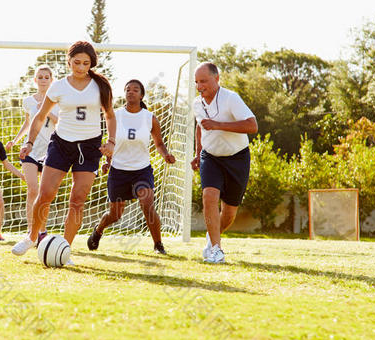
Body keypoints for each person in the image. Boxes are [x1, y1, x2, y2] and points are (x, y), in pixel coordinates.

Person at [11, 41, 116, 264]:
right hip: (61, 144)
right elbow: (40, 116)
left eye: (85, 63)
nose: (80, 67)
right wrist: (29, 142)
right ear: (68, 61)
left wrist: (112, 142)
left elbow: (110, 116)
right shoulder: (58, 86)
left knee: (77, 199)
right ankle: (32, 237)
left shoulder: (101, 86)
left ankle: (65, 250)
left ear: (91, 63)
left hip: (89, 148)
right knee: (46, 193)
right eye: (76, 62)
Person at [87, 79, 176, 254]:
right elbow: (110, 141)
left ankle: (158, 245)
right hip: (118, 171)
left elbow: (159, 143)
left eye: (135, 89)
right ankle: (98, 230)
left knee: (147, 204)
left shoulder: (150, 118)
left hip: (141, 170)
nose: (131, 92)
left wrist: (166, 155)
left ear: (141, 95)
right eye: (128, 89)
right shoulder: (115, 115)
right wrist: (107, 162)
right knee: (115, 215)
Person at [190, 62, 258, 264]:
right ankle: (217, 250)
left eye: (204, 81)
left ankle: (211, 240)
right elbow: (201, 128)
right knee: (209, 196)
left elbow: (252, 125)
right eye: (196, 82)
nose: (199, 86)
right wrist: (198, 152)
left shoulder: (231, 98)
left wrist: (218, 125)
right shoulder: (197, 103)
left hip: (237, 158)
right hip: (210, 157)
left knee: (229, 213)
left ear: (217, 79)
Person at [6, 65, 59, 242]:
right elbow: (28, 123)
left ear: (51, 80)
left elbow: (60, 122)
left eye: (46, 77)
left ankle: (41, 230)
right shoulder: (28, 101)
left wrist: (47, 111)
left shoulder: (57, 101)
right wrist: (15, 139)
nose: (43, 80)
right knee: (32, 189)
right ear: (35, 80)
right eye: (40, 77)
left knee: (45, 193)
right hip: (30, 149)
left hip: (50, 152)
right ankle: (31, 232)